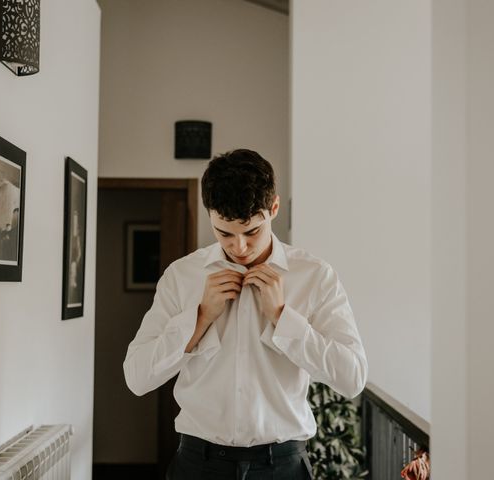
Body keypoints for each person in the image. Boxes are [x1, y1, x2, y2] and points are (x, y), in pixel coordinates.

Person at [123, 149, 368, 480]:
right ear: (211, 215)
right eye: (224, 233)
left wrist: (283, 319)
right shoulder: (182, 276)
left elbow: (351, 377)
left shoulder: (315, 276)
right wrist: (198, 320)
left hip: (283, 466)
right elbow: (137, 377)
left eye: (252, 231)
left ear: (274, 209)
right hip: (198, 464)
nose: (239, 247)